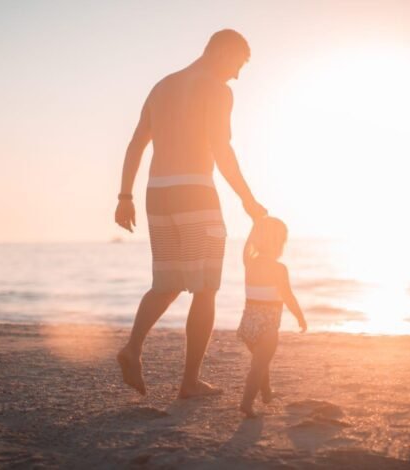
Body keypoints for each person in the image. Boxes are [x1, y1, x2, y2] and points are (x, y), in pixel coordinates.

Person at [114, 29, 267, 398]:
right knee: (205, 288)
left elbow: (137, 142)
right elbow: (221, 149)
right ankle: (189, 383)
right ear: (222, 52)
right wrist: (247, 199)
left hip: (157, 193)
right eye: (237, 64)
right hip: (195, 192)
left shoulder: (162, 86)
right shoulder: (216, 89)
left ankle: (132, 348)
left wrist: (124, 196)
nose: (236, 75)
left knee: (166, 284)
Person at [237, 217, 306, 417]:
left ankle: (266, 392)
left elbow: (246, 246)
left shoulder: (249, 262)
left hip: (248, 324)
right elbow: (288, 296)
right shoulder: (279, 269)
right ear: (279, 244)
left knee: (261, 361)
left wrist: (254, 225)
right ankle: (246, 402)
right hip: (267, 324)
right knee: (258, 367)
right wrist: (300, 317)